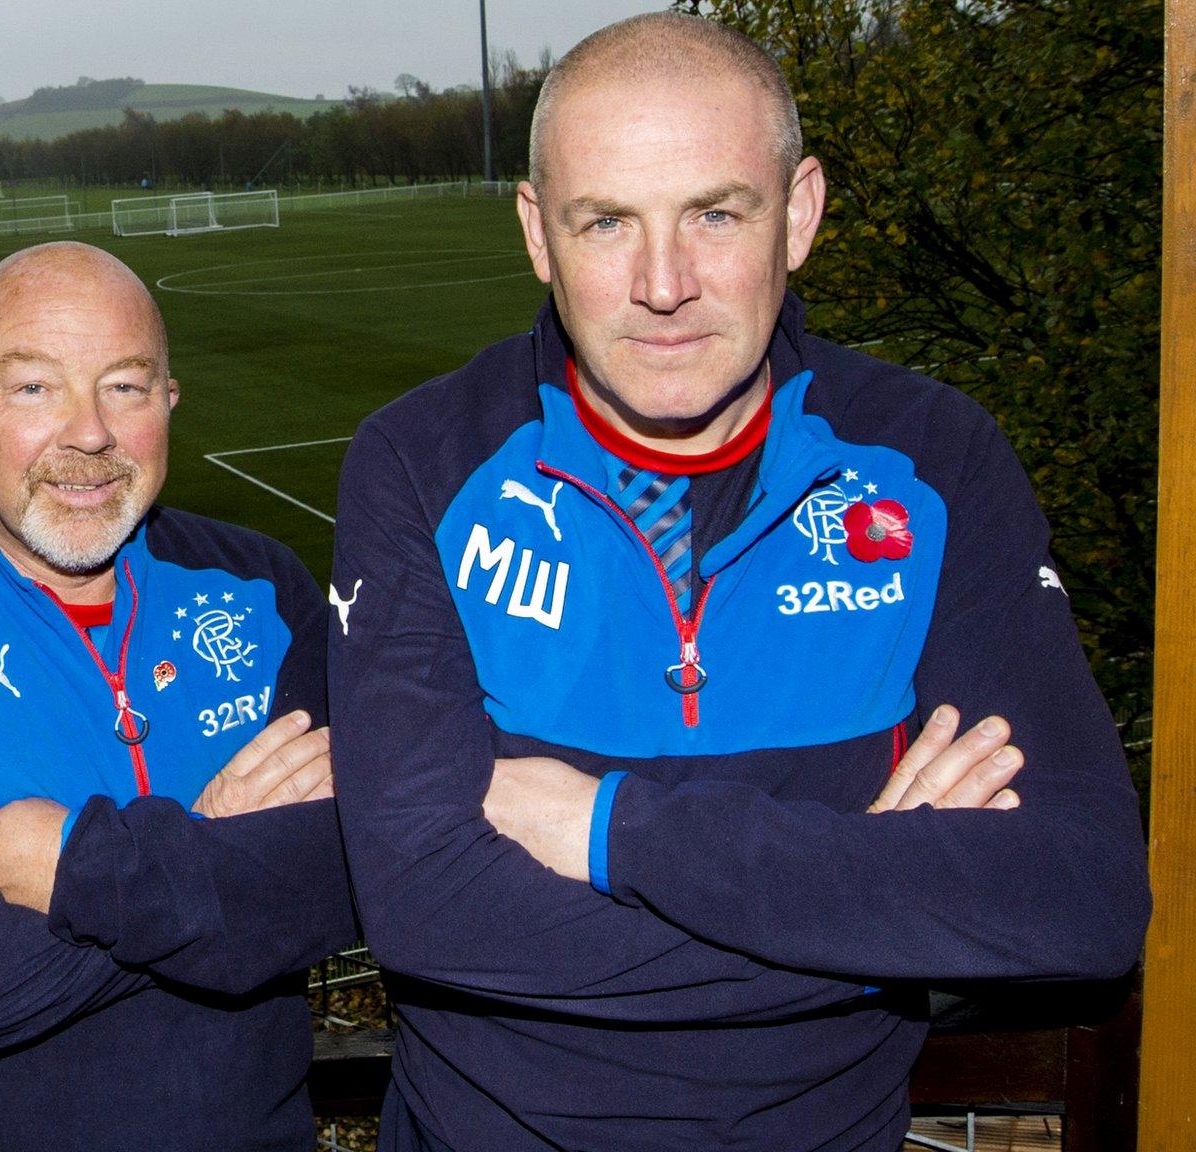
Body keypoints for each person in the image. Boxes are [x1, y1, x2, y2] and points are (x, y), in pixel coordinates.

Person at [327, 12, 1150, 1151]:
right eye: (605, 220)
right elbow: (426, 913)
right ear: (536, 232)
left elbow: (1079, 897)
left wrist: (613, 830)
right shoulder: (422, 464)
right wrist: (877, 910)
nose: (663, 284)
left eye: (715, 214)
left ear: (798, 212)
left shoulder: (932, 461)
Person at [0, 241, 356, 1150]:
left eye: (124, 386)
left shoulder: (264, 589)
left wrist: (82, 871)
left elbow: (345, 879)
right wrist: (214, 841)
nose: (88, 434)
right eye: (34, 389)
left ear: (169, 401)